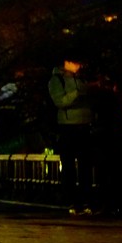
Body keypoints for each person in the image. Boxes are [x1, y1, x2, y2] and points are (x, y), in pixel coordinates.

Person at [49, 58, 94, 214]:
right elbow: (60, 101)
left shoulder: (82, 78)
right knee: (68, 165)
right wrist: (77, 93)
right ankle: (72, 201)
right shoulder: (56, 80)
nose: (79, 65)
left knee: (85, 165)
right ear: (66, 62)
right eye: (76, 62)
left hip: (85, 125)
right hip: (68, 126)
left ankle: (86, 200)